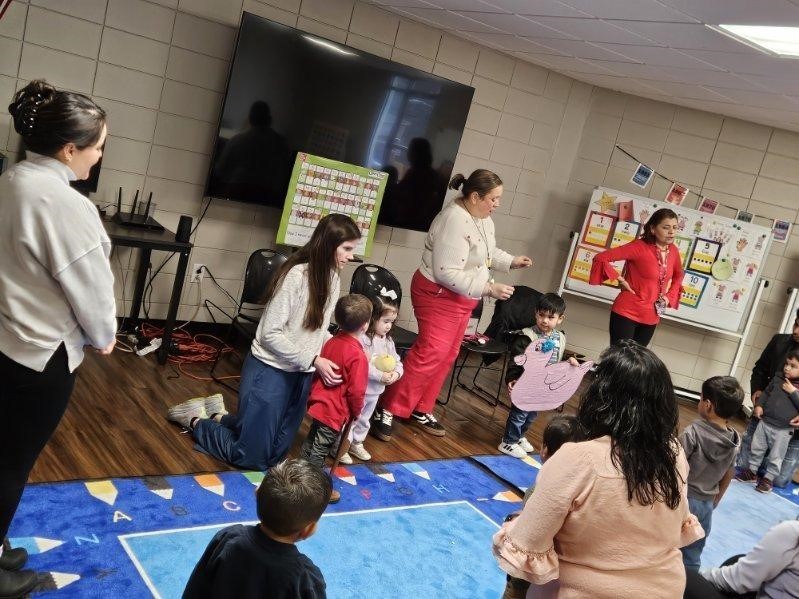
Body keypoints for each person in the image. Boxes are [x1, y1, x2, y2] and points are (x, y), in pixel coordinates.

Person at [0, 79, 116, 598]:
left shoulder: (12, 178)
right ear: (70, 149)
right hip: (37, 358)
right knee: (10, 463)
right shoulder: (65, 204)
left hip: (5, 341)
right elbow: (93, 291)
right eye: (97, 146)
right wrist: (106, 337)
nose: (98, 156)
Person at [492, 341, 703, 598]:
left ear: (600, 396)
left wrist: (514, 523)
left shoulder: (577, 458)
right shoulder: (673, 451)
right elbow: (677, 524)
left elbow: (526, 545)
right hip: (665, 589)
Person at [167, 214, 361, 471]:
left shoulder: (333, 277)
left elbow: (318, 331)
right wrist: (314, 359)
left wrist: (344, 350)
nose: (350, 256)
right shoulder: (296, 276)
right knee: (253, 458)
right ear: (327, 245)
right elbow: (270, 334)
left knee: (275, 457)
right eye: (347, 249)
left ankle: (220, 416)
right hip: (270, 369)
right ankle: (194, 420)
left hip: (301, 373)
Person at [371, 169, 533, 442]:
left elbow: (487, 252)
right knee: (430, 352)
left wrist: (511, 261)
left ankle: (421, 408)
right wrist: (488, 288)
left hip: (462, 296)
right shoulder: (454, 221)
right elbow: (446, 272)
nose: (497, 204)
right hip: (437, 292)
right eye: (493, 199)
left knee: (448, 354)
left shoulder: (483, 219)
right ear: (474, 197)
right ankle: (387, 408)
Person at [182, 458, 330, 598]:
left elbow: (195, 591)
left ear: (257, 493)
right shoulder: (307, 580)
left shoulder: (228, 538)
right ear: (309, 530)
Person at [300, 294, 371, 503]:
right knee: (320, 449)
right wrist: (357, 411)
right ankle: (312, 487)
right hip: (334, 410)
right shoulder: (358, 356)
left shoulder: (332, 342)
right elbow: (356, 392)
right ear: (365, 326)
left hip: (319, 403)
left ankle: (300, 475)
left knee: (311, 441)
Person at [503, 415, 583, 599]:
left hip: (531, 570)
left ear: (545, 450)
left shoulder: (540, 490)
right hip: (561, 570)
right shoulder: (579, 487)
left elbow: (530, 533)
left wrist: (516, 520)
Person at [499, 293, 580, 458]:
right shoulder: (527, 336)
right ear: (536, 313)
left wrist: (569, 360)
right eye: (541, 315)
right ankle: (508, 441)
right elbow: (516, 360)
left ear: (560, 319)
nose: (544, 320)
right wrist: (513, 379)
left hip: (542, 386)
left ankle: (520, 436)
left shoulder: (560, 337)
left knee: (531, 415)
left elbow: (558, 355)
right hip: (526, 383)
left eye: (550, 317)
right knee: (519, 414)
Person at [589, 208, 683, 347]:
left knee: (637, 363)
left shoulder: (673, 251)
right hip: (627, 312)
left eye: (675, 228)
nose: (671, 232)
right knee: (619, 359)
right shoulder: (639, 247)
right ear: (652, 229)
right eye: (666, 227)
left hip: (651, 316)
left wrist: (669, 296)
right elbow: (601, 258)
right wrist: (619, 279)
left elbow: (679, 275)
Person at [679, 376, 743, 571]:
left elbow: (675, 466)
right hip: (707, 503)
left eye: (700, 399)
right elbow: (729, 472)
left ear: (707, 405)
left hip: (683, 500)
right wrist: (716, 499)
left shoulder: (692, 433)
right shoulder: (734, 439)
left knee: (667, 543)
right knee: (693, 550)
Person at [339, 293, 403, 465]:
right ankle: (341, 445)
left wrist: (395, 374)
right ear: (372, 318)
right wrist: (380, 375)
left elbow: (397, 362)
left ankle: (357, 443)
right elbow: (362, 366)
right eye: (385, 321)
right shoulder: (363, 339)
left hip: (375, 393)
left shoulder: (388, 341)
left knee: (365, 419)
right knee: (351, 418)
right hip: (359, 391)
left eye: (391, 322)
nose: (389, 326)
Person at [739, 312, 799, 488]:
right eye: (796, 324)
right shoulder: (779, 341)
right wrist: (757, 391)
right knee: (745, 466)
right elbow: (760, 369)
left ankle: (766, 472)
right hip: (765, 418)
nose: (796, 330)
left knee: (779, 481)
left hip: (791, 431)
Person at [686, 519, 799, 599]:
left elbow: (737, 581)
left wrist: (701, 577)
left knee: (685, 577)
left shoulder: (791, 532)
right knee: (738, 559)